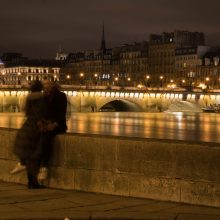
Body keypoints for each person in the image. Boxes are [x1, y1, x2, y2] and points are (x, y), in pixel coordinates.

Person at [13, 80, 45, 189]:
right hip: (37, 126)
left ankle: (30, 181)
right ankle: (33, 181)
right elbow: (41, 112)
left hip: (28, 125)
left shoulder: (28, 98)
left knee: (29, 156)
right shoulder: (41, 98)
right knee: (35, 155)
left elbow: (25, 111)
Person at [37, 79, 67, 180]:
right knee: (35, 135)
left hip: (58, 125)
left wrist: (54, 124)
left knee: (46, 138)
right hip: (46, 123)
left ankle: (44, 167)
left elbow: (62, 113)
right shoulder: (43, 97)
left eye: (48, 84)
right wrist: (41, 122)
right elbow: (41, 112)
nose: (46, 86)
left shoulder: (61, 96)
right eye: (45, 84)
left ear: (53, 85)